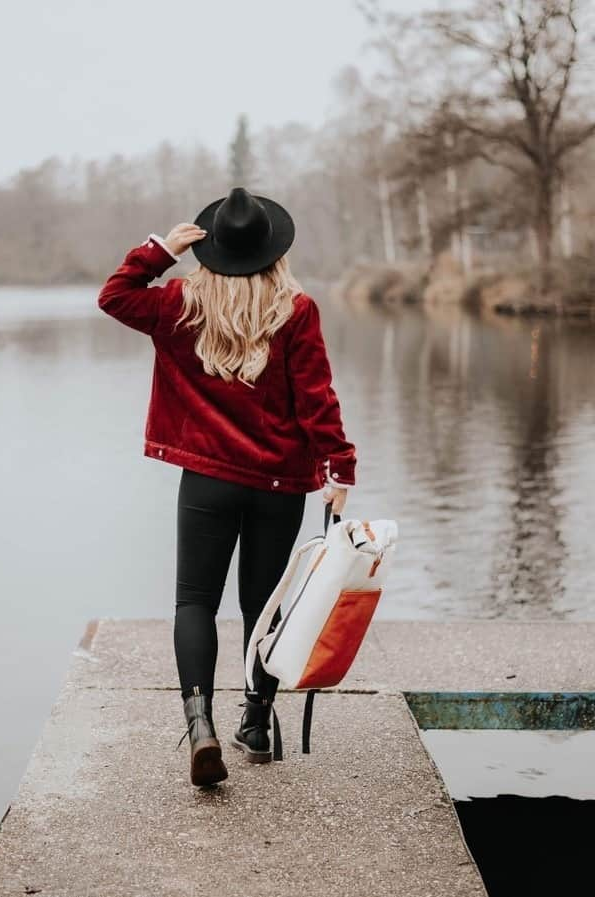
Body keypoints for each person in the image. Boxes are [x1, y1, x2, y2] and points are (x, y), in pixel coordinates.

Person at [97, 187, 356, 787]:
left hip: (207, 482)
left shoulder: (179, 304)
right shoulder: (296, 309)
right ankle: (258, 725)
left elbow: (114, 296)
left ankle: (201, 728)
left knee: (195, 604)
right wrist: (336, 469)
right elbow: (317, 398)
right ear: (273, 252)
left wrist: (160, 249)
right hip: (278, 484)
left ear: (210, 248)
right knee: (262, 605)